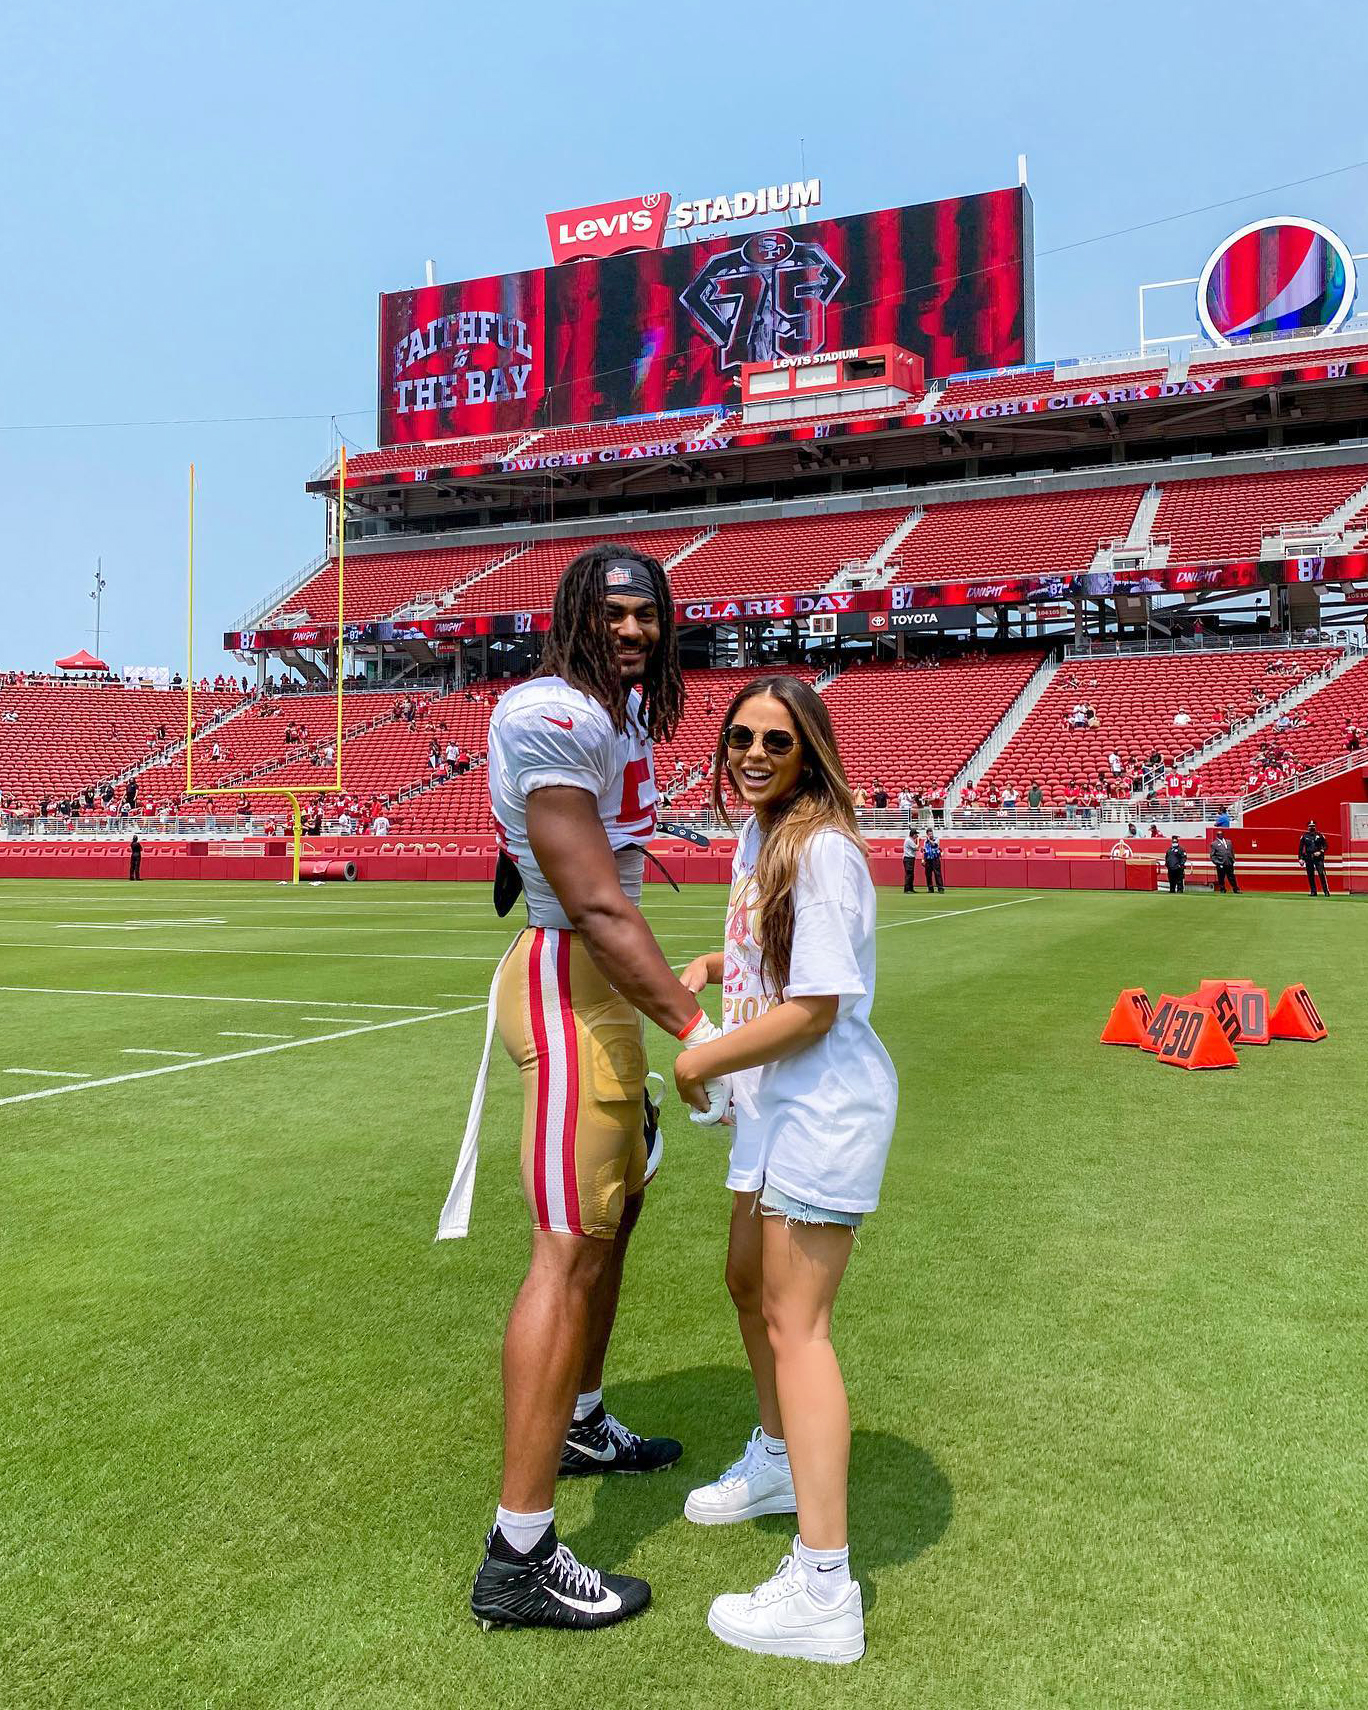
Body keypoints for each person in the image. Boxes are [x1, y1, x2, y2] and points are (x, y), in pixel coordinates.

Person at [450, 546, 719, 1634]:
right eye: (611, 613)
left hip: (597, 994)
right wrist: (699, 1036)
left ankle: (584, 1421)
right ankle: (517, 1555)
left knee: (615, 1218)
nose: (633, 630)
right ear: (572, 616)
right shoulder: (552, 712)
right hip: (571, 988)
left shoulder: (615, 715)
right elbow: (597, 905)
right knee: (565, 1252)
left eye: (647, 614)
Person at [674, 676, 897, 1665]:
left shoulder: (824, 850)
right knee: (749, 1288)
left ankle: (823, 1584)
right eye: (738, 736)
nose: (752, 752)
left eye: (776, 739)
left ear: (810, 749)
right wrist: (719, 969)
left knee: (797, 1325)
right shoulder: (764, 836)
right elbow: (780, 965)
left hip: (819, 1104)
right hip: (777, 1103)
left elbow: (813, 1007)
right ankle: (773, 1460)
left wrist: (697, 1059)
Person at [1299, 821, 1330, 895]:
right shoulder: (1304, 836)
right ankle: (1313, 891)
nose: (1312, 827)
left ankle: (1326, 891)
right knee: (1310, 875)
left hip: (1318, 857)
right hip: (1309, 857)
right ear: (1308, 827)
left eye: (1313, 826)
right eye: (1310, 826)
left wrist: (1320, 852)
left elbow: (1326, 846)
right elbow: (1301, 848)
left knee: (1321, 874)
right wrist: (1301, 858)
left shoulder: (1320, 835)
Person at [901, 825, 919, 892]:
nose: (917, 836)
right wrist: (918, 841)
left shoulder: (909, 840)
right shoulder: (909, 840)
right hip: (908, 858)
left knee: (911, 874)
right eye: (916, 834)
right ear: (913, 835)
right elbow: (916, 848)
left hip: (909, 858)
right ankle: (907, 889)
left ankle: (910, 888)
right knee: (909, 874)